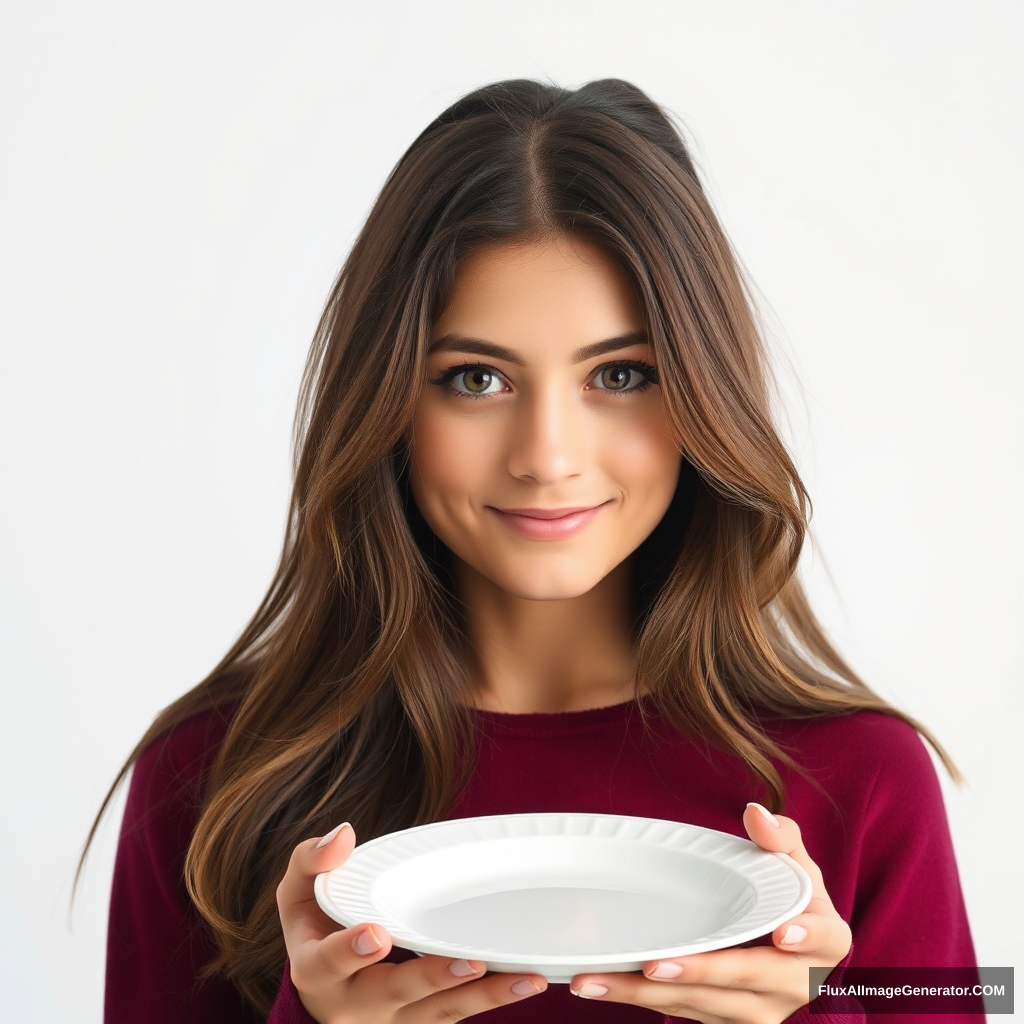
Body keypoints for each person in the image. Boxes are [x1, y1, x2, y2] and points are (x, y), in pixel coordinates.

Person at [87, 79, 980, 1023]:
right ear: (388, 403)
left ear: (703, 398)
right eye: (476, 378)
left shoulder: (865, 779)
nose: (547, 457)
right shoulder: (217, 779)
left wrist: (819, 1006)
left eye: (621, 375)